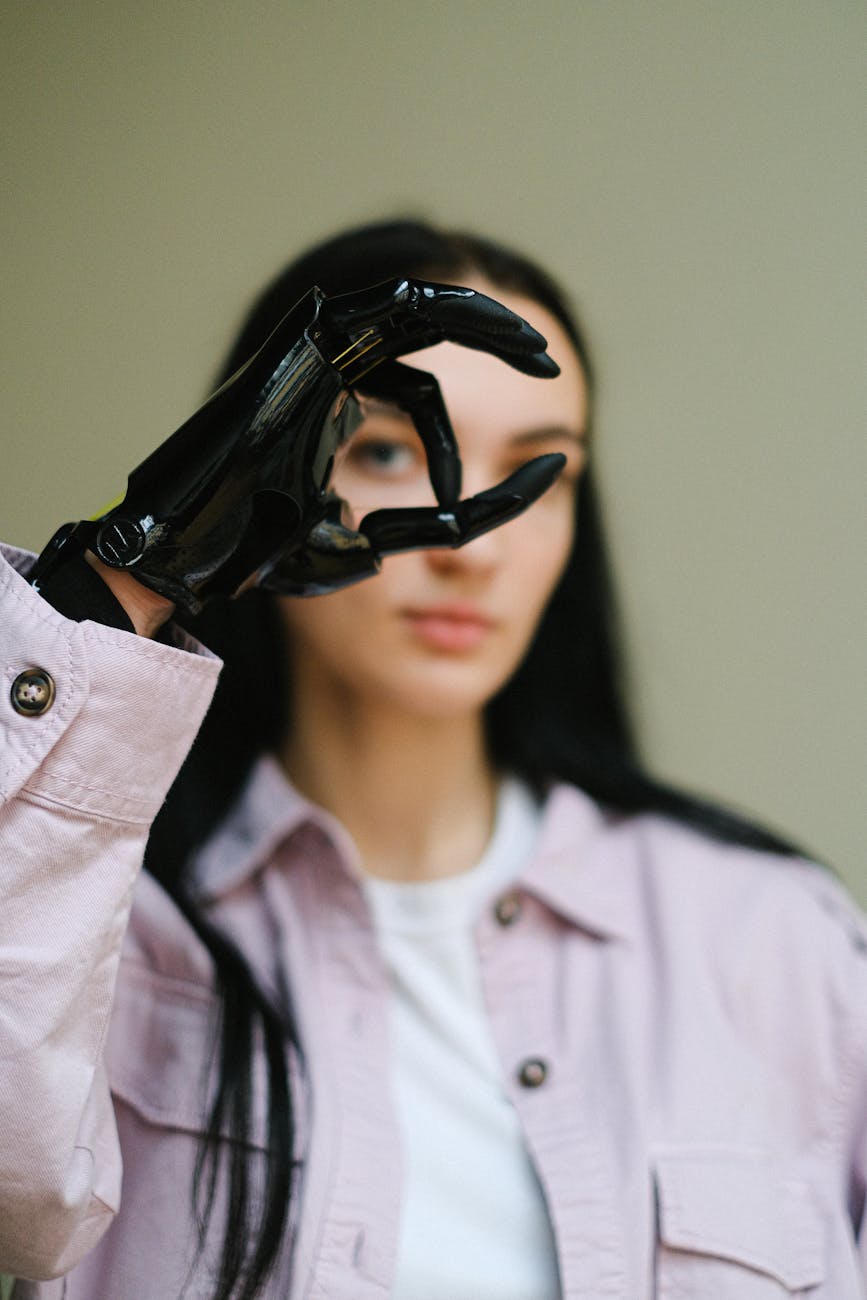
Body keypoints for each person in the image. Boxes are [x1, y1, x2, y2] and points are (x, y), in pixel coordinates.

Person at [1, 220, 864, 1300]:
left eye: (538, 471)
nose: (474, 541)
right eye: (386, 451)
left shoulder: (776, 945)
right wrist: (136, 569)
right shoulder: (101, 933)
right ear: (268, 468)